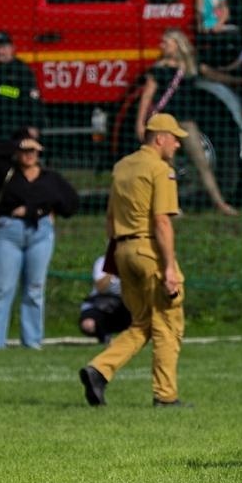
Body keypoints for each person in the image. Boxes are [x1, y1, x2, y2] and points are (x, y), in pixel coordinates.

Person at [80, 113, 189, 408]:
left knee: (141, 322)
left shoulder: (122, 167)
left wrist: (113, 257)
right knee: (167, 323)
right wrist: (168, 268)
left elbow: (110, 218)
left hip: (122, 251)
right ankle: (166, 396)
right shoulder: (160, 170)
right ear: (159, 138)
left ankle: (99, 370)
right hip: (148, 251)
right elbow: (162, 222)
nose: (178, 144)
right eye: (175, 138)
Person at [0, 137, 80, 351]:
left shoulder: (50, 178)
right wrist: (17, 143)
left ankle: (32, 340)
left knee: (35, 287)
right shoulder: (7, 173)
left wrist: (43, 211)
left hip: (40, 232)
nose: (29, 154)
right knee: (2, 287)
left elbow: (71, 203)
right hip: (9, 232)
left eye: (33, 150)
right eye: (25, 150)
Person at [135, 28, 237, 215]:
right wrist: (140, 123)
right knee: (168, 167)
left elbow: (213, 74)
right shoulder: (158, 70)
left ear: (177, 44)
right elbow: (147, 97)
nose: (162, 46)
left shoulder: (189, 67)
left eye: (167, 42)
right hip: (165, 123)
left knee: (201, 162)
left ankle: (219, 202)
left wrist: (239, 80)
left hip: (186, 121)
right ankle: (171, 206)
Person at [0, 30, 42, 142]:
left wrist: (34, 125)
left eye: (3, 47)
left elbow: (32, 98)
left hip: (18, 127)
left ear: (12, 48)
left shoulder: (22, 70)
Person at [79, 255, 130, 343]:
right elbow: (101, 287)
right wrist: (113, 267)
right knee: (88, 325)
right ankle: (104, 336)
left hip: (127, 304)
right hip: (102, 304)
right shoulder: (102, 261)